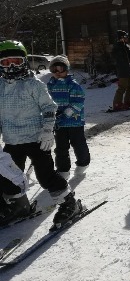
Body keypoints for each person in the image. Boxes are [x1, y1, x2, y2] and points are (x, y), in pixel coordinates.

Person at [0, 40, 82, 227]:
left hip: (36, 139)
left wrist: (47, 130)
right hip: (12, 141)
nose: (11, 67)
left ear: (24, 62)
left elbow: (49, 108)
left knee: (45, 175)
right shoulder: (0, 87)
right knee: (8, 176)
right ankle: (17, 206)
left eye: (16, 62)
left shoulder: (33, 85)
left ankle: (69, 203)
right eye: (6, 63)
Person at [46, 55, 90, 180]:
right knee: (61, 148)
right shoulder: (49, 85)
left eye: (62, 70)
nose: (58, 73)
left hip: (74, 122)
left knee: (79, 145)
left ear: (67, 70)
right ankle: (63, 170)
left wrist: (65, 113)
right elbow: (46, 102)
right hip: (59, 123)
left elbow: (78, 101)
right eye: (55, 70)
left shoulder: (73, 85)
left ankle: (83, 163)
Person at [111, 30, 130, 111]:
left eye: (126, 37)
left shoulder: (127, 46)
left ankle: (128, 101)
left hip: (129, 69)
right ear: (120, 38)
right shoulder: (117, 47)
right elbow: (119, 58)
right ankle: (117, 104)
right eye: (125, 37)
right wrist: (128, 55)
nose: (126, 38)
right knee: (122, 87)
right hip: (122, 70)